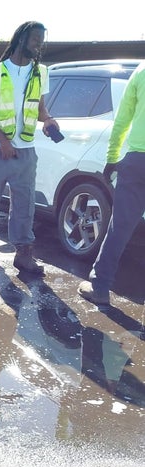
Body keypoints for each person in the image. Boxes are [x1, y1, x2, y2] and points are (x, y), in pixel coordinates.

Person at [0, 21, 59, 275]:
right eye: (35, 39)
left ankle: (23, 255)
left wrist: (48, 120)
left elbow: (40, 108)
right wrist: (3, 141)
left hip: (26, 150)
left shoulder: (40, 72)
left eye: (41, 40)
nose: (38, 44)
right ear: (21, 39)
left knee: (25, 204)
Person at [78, 60, 145, 306]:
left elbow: (123, 119)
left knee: (121, 227)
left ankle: (100, 287)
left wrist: (112, 157)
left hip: (139, 160)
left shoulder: (141, 70)